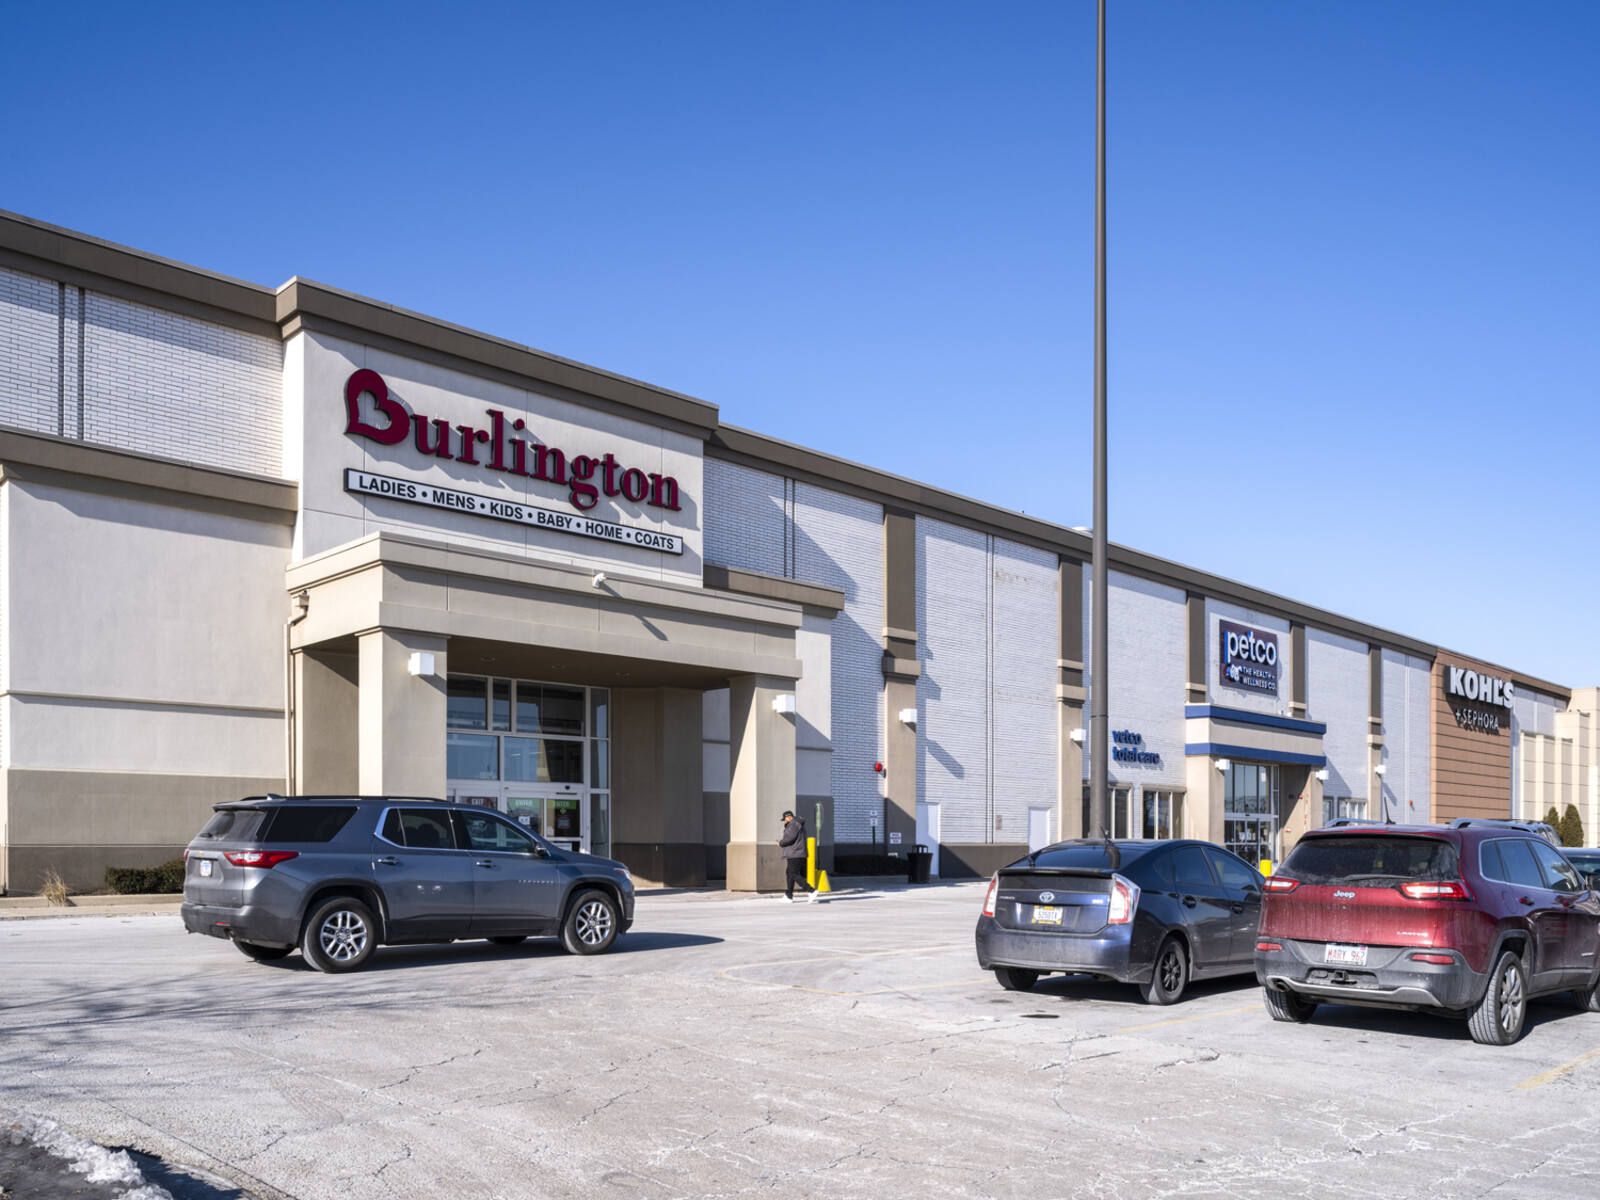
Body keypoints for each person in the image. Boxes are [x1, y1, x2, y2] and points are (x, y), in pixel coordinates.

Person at [778, 810, 820, 903]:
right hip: (795, 852)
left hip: (795, 853)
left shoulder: (793, 825)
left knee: (793, 874)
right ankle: (789, 895)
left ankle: (811, 890)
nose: (784, 821)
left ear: (788, 817)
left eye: (784, 819)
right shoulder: (796, 823)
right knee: (789, 873)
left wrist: (780, 842)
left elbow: (789, 838)